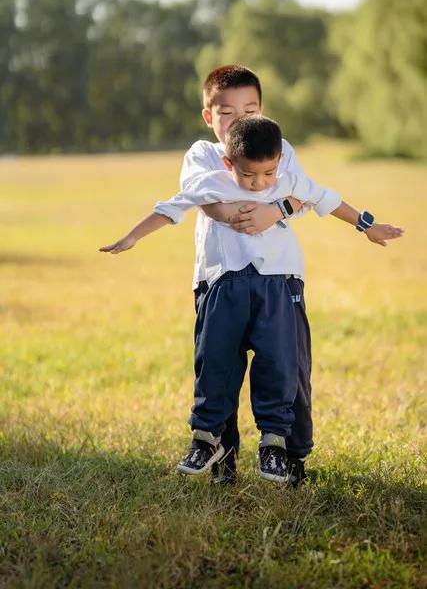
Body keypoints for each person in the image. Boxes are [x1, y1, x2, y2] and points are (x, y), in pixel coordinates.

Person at [176, 65, 403, 486]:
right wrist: (242, 214)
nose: (239, 119)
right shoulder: (202, 154)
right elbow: (204, 201)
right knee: (218, 365)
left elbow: (304, 193)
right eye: (227, 112)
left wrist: (274, 211)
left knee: (288, 366)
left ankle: (291, 457)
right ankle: (220, 458)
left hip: (281, 278)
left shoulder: (277, 145)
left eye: (250, 108)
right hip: (217, 278)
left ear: (262, 109)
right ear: (209, 116)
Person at [100, 115, 344, 482]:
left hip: (275, 286)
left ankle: (275, 444)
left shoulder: (287, 180)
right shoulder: (213, 179)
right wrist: (132, 237)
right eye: (249, 177)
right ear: (229, 164)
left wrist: (369, 226)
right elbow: (171, 207)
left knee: (279, 366)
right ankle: (205, 439)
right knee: (214, 363)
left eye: (268, 174)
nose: (260, 184)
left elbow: (327, 199)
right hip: (226, 285)